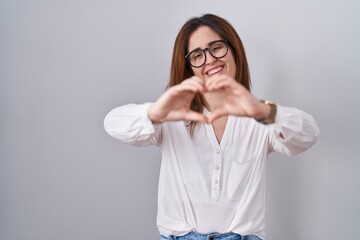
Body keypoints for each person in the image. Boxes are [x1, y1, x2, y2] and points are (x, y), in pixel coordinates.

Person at [104, 14, 319, 240]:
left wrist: (262, 111)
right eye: (197, 55)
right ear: (189, 68)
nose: (209, 60)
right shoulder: (170, 118)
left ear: (234, 51)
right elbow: (112, 123)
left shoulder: (260, 119)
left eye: (216, 48)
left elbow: (309, 134)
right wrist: (156, 112)